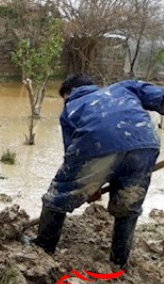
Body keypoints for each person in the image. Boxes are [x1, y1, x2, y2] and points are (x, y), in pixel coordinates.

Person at [32, 74, 164, 270]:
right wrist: (92, 186)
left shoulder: (70, 108)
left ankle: (43, 248)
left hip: (97, 145)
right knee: (128, 206)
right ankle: (119, 262)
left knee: (57, 198)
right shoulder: (125, 87)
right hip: (145, 143)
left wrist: (88, 188)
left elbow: (72, 158)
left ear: (68, 94)